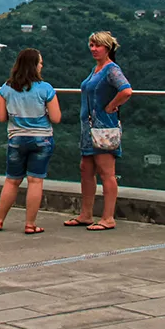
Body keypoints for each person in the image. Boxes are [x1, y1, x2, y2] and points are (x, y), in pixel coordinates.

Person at [65, 31, 133, 232]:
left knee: (106, 172)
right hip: (88, 127)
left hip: (103, 126)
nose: (94, 49)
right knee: (86, 168)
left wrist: (111, 106)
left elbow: (126, 90)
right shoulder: (96, 69)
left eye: (98, 46)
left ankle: (108, 217)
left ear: (108, 48)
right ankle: (86, 214)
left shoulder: (111, 69)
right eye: (92, 45)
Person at [0, 48, 60, 234]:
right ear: (34, 65)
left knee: (12, 181)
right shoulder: (46, 89)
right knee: (35, 181)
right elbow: (56, 117)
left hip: (16, 139)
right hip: (41, 139)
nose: (42, 66)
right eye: (40, 62)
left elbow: (1, 117)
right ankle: (30, 224)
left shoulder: (6, 88)